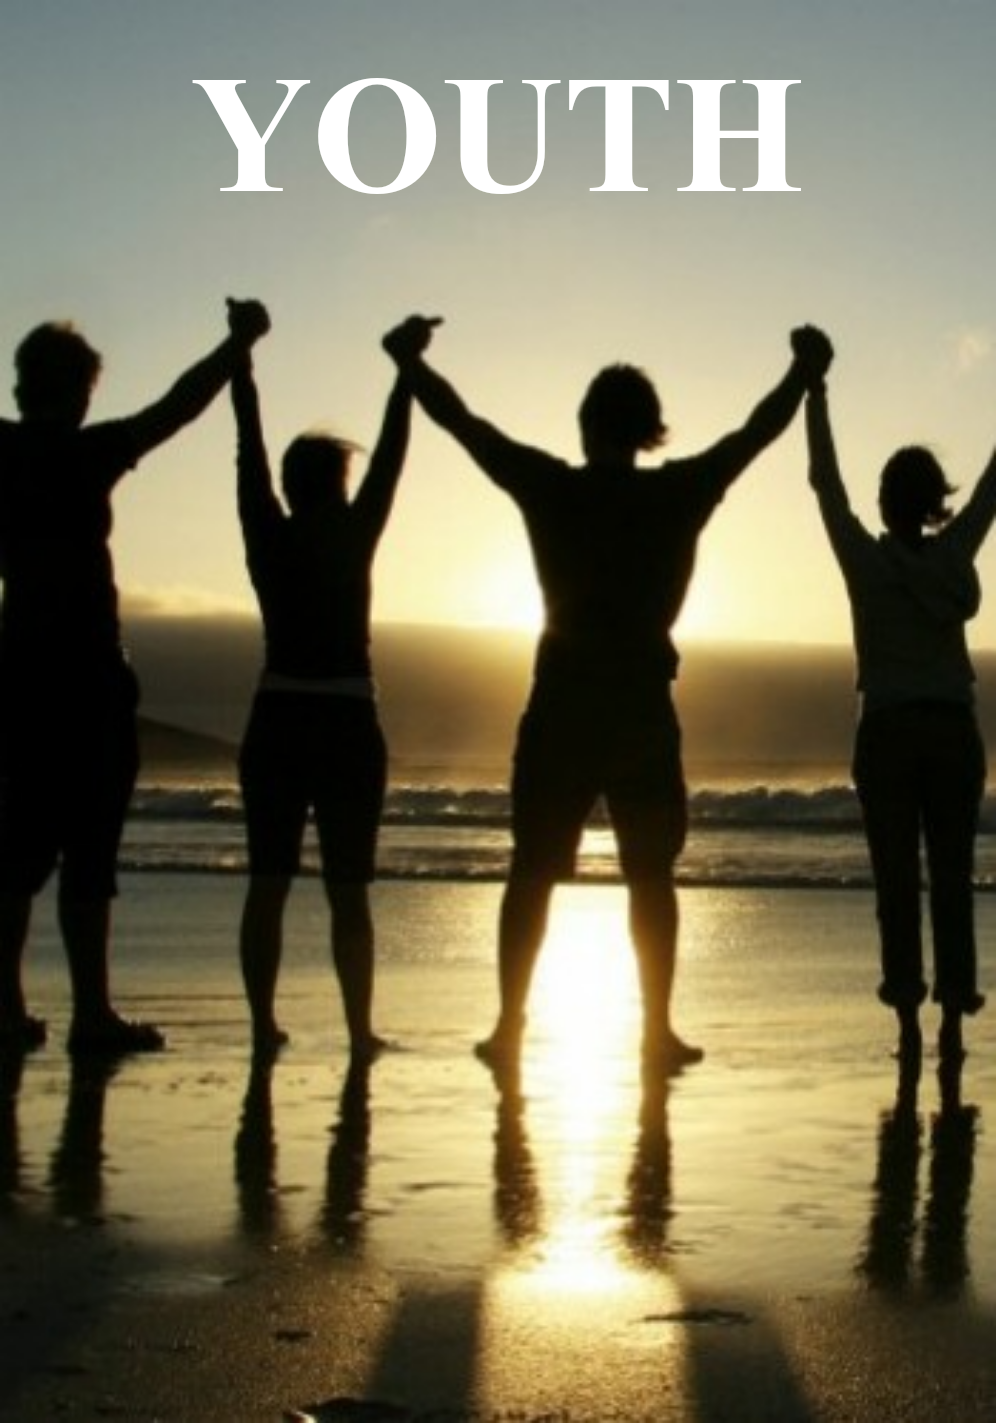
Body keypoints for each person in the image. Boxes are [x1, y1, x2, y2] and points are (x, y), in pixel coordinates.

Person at [383, 314, 833, 1071]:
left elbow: (467, 426)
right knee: (648, 875)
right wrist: (802, 370)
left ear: (587, 426)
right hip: (637, 709)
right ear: (648, 430)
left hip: (564, 704)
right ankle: (654, 1029)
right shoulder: (678, 491)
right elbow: (755, 433)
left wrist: (411, 363)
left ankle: (511, 1024)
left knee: (534, 870)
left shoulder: (553, 487)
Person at [0, 300, 271, 1056]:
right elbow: (177, 407)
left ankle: (10, 1010)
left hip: (23, 676)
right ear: (79, 392)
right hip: (86, 680)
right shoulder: (87, 453)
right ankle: (90, 1012)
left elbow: (174, 408)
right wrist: (237, 344)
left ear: (21, 386)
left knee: (18, 852)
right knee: (86, 854)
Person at [803, 353, 995, 1071]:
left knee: (896, 881)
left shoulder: (867, 561)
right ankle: (953, 1020)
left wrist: (814, 390)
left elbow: (825, 484)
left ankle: (910, 1018)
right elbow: (994, 487)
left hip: (886, 732)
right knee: (952, 879)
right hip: (950, 730)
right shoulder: (954, 559)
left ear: (888, 503)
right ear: (934, 502)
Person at [231, 314, 412, 1061]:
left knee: (269, 880)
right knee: (347, 888)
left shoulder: (267, 533)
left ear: (287, 485)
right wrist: (405, 373)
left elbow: (247, 447)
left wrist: (242, 359)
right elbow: (392, 460)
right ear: (338, 484)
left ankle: (263, 1026)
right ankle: (359, 1030)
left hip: (277, 715)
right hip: (344, 718)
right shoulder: (352, 530)